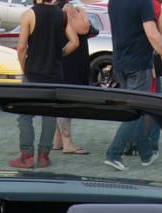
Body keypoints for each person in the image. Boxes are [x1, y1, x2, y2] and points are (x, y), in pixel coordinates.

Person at [101, 0, 162, 171]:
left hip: (119, 63)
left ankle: (146, 153)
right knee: (134, 113)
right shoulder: (143, 2)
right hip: (139, 65)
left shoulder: (114, 3)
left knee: (136, 111)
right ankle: (114, 153)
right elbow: (152, 34)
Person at [8, 0, 79, 168]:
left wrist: (24, 67)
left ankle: (26, 156)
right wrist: (59, 55)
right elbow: (75, 41)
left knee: (25, 116)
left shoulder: (29, 15)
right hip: (54, 74)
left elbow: (21, 47)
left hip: (32, 74)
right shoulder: (61, 14)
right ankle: (43, 156)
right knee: (49, 116)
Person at [51, 0, 90, 154]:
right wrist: (82, 11)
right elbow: (84, 28)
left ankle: (57, 140)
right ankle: (67, 142)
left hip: (64, 58)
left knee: (61, 99)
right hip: (71, 60)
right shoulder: (68, 7)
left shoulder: (54, 8)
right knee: (66, 101)